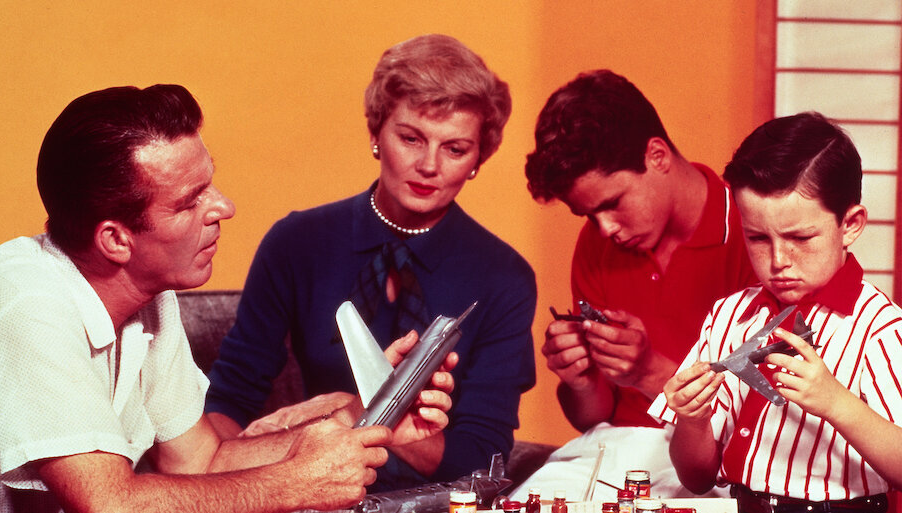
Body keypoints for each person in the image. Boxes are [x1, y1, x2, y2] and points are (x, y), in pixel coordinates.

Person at [0, 84, 455, 513]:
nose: (224, 208)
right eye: (190, 201)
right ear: (115, 240)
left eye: (209, 185)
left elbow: (201, 461)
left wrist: (366, 413)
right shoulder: (28, 302)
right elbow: (110, 505)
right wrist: (293, 484)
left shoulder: (148, 295)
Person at [205, 34, 536, 491]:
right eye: (411, 138)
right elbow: (229, 399)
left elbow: (483, 458)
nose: (429, 165)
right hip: (309, 485)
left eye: (455, 149)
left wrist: (372, 415)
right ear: (376, 133)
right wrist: (209, 477)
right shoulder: (297, 242)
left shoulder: (504, 276)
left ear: (479, 158)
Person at [510, 69, 755, 501]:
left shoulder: (753, 233)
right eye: (589, 215)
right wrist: (580, 379)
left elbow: (763, 419)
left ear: (656, 156)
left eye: (612, 204)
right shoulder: (597, 244)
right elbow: (593, 417)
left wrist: (648, 372)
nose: (604, 229)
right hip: (614, 448)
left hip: (718, 458)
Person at [653, 112, 901, 511]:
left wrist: (836, 402)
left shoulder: (879, 328)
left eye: (800, 238)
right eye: (757, 238)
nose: (778, 261)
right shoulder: (727, 316)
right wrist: (693, 420)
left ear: (851, 225)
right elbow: (696, 478)